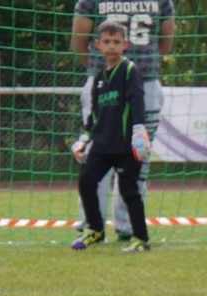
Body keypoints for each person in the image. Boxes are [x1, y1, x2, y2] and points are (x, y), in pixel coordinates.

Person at [70, 0, 175, 243]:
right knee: (95, 152)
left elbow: (166, 44)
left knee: (138, 156)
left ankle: (128, 227)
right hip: (102, 81)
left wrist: (131, 70)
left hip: (146, 82)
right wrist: (105, 71)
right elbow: (79, 42)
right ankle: (92, 225)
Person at [70, 20, 152, 254]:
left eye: (116, 42)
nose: (111, 46)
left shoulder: (129, 70)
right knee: (86, 181)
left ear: (125, 44)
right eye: (106, 41)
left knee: (129, 191)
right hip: (102, 145)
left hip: (126, 145)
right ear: (98, 45)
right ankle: (95, 229)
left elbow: (136, 100)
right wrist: (84, 139)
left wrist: (139, 129)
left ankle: (141, 238)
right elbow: (95, 114)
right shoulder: (98, 78)